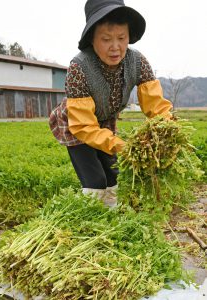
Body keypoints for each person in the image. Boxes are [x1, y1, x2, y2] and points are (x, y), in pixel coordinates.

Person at [49, 0, 173, 208]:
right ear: (92, 39)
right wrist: (122, 145)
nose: (115, 47)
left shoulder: (138, 62)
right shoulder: (79, 68)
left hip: (105, 121)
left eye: (121, 38)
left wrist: (167, 129)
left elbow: (156, 106)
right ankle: (91, 222)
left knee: (113, 175)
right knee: (95, 180)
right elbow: (84, 127)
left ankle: (111, 218)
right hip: (76, 126)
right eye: (106, 39)